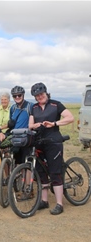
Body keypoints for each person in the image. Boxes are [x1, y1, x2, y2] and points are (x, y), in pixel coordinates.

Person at [29, 82, 74, 215]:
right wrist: (35, 125)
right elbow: (30, 125)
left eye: (41, 94)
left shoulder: (56, 104)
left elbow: (70, 118)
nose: (39, 97)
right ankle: (44, 201)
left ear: (46, 93)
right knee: (41, 172)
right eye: (37, 95)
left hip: (54, 141)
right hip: (39, 142)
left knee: (55, 172)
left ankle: (59, 203)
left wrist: (54, 123)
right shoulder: (34, 107)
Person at [9, 86, 33, 164]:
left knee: (26, 162)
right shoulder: (13, 108)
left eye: (19, 95)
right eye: (15, 96)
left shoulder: (30, 106)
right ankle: (18, 176)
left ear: (23, 95)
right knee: (16, 162)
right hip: (16, 137)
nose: (17, 97)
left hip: (27, 137)